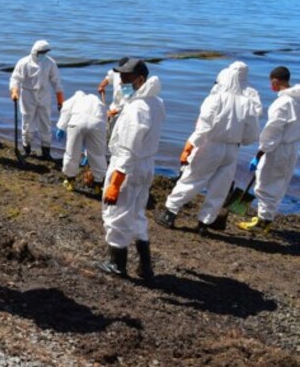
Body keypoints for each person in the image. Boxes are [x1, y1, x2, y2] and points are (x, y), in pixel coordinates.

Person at [157, 62, 260, 233]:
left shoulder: (215, 98)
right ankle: (204, 224)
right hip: (233, 149)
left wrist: (189, 146)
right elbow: (252, 133)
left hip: (210, 144)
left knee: (192, 179)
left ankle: (170, 213)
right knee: (220, 187)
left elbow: (203, 127)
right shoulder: (247, 102)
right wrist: (240, 141)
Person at [97, 57, 164, 281]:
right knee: (136, 214)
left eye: (126, 78)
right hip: (146, 164)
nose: (122, 82)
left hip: (127, 166)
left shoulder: (137, 109)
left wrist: (115, 182)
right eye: (121, 78)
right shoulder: (156, 102)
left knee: (116, 213)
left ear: (140, 80)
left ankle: (116, 264)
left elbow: (127, 149)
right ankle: (145, 267)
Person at [238, 66, 300, 234]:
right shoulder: (297, 99)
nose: (270, 86)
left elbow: (272, 131)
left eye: (271, 82)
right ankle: (266, 217)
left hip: (278, 149)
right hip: (293, 147)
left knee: (265, 183)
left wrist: (259, 153)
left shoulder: (282, 103)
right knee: (280, 183)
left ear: (275, 81)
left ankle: (263, 221)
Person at [9, 39, 64, 160]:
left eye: (46, 52)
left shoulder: (50, 63)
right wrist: (14, 92)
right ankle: (27, 148)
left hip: (44, 95)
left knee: (45, 122)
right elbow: (16, 79)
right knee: (27, 123)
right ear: (35, 51)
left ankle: (46, 150)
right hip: (28, 95)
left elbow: (56, 82)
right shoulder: (23, 63)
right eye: (41, 52)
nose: (44, 55)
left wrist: (60, 100)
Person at [55, 90, 108, 193]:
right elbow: (104, 125)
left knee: (72, 153)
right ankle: (98, 184)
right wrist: (88, 155)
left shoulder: (77, 97)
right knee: (98, 155)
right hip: (97, 124)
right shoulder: (100, 103)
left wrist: (61, 127)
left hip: (77, 121)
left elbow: (66, 109)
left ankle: (70, 181)